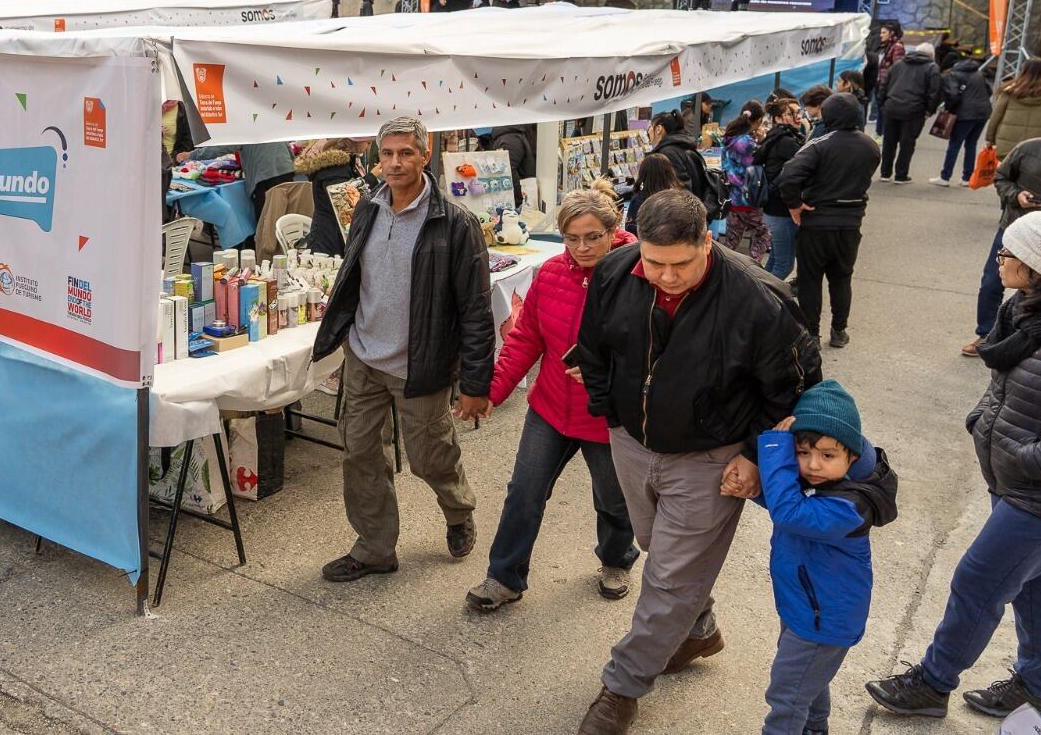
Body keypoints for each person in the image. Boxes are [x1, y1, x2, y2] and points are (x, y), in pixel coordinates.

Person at [573, 190, 822, 735]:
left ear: (708, 240)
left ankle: (622, 687)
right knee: (656, 548)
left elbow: (796, 391)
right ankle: (697, 628)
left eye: (679, 264)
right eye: (653, 262)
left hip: (712, 457)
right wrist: (609, 412)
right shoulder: (617, 269)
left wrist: (756, 456)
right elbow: (592, 347)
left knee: (667, 578)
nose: (663, 276)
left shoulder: (760, 299)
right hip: (632, 442)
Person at [866, 207, 1041, 727]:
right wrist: (982, 420)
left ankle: (932, 685)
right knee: (1034, 584)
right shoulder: (1026, 311)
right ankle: (1037, 690)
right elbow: (1006, 382)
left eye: (1012, 252)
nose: (1001, 258)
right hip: (1014, 478)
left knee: (978, 580)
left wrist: (1030, 459)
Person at [312, 117, 494, 582]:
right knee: (360, 455)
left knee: (430, 455)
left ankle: (458, 510)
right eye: (387, 153)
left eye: (405, 153)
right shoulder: (367, 210)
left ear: (424, 154)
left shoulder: (456, 224)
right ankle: (375, 548)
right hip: (364, 357)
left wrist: (475, 384)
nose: (395, 163)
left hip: (420, 365)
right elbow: (354, 275)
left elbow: (476, 311)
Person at [466, 183, 641, 612]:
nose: (581, 247)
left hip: (607, 415)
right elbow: (527, 339)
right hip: (549, 408)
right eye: (571, 238)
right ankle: (504, 577)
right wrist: (491, 391)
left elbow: (656, 350)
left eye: (592, 237)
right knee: (523, 491)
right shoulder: (550, 274)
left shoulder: (638, 277)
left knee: (614, 497)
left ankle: (617, 559)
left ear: (614, 229)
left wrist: (609, 374)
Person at [757, 382, 899, 735]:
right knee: (809, 682)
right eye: (802, 453)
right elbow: (793, 505)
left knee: (787, 695)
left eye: (827, 455)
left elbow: (791, 513)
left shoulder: (851, 506)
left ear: (851, 456)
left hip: (823, 620)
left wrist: (776, 448)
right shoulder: (831, 486)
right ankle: (815, 729)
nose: (813, 465)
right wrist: (754, 489)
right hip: (806, 608)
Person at [965, 102, 1041, 357]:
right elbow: (1001, 177)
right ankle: (986, 335)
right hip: (1015, 230)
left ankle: (1034, 341)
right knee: (993, 282)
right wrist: (1016, 196)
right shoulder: (1027, 149)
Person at [774, 94, 880, 348]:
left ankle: (812, 333)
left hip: (817, 222)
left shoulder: (820, 144)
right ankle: (839, 331)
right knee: (842, 278)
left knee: (810, 280)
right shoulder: (870, 145)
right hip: (851, 224)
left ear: (828, 115)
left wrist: (795, 205)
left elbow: (788, 175)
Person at [186, 142, 296, 247]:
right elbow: (285, 143)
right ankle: (287, 253)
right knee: (286, 216)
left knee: (266, 220)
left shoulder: (244, 125)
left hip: (265, 175)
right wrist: (292, 162)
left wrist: (192, 155)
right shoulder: (267, 122)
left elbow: (224, 146)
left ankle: (266, 257)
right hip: (285, 168)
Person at [294, 137, 371, 259]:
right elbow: (344, 204)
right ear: (353, 141)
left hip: (329, 235)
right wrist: (372, 179)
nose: (369, 146)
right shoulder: (336, 168)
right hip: (330, 240)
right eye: (368, 142)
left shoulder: (342, 164)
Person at [878, 40, 942, 183]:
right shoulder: (932, 68)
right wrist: (929, 111)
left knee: (889, 142)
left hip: (891, 106)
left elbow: (884, 84)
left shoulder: (898, 64)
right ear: (931, 55)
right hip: (914, 110)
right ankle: (901, 175)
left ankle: (885, 173)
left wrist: (882, 103)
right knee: (907, 144)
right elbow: (934, 92)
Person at [758, 97, 806, 281]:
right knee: (784, 265)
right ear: (778, 118)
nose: (797, 117)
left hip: (774, 208)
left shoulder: (777, 136)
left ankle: (760, 292)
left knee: (776, 260)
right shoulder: (786, 142)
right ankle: (762, 302)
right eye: (791, 113)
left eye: (798, 112)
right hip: (781, 210)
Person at [931, 52, 993, 186]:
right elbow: (989, 91)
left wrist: (950, 109)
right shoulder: (978, 73)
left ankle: (945, 177)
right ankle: (967, 178)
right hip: (983, 112)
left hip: (965, 114)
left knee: (954, 144)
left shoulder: (953, 75)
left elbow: (952, 95)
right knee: (971, 144)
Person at [987, 58, 1041, 155]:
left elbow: (996, 117)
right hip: (1040, 147)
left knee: (1005, 169)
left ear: (1023, 71)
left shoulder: (1009, 91)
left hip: (1007, 146)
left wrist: (990, 139)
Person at [721, 100, 770, 264]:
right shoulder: (747, 143)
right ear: (758, 120)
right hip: (750, 197)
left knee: (732, 240)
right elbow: (756, 163)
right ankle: (753, 267)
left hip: (733, 196)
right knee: (763, 232)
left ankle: (724, 268)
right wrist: (763, 141)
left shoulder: (729, 137)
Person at [648, 110, 709, 201]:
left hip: (681, 210)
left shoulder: (668, 153)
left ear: (658, 129)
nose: (648, 131)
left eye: (650, 127)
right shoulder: (681, 146)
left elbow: (681, 188)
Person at [478, 124, 536, 207]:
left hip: (519, 197)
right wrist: (518, 202)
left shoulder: (509, 136)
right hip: (519, 201)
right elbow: (509, 174)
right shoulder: (511, 138)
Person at [623, 152, 680, 236]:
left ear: (643, 174)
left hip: (646, 245)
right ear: (669, 174)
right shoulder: (678, 199)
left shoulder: (638, 201)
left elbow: (630, 229)